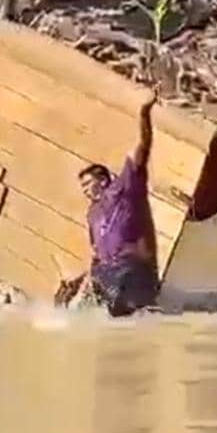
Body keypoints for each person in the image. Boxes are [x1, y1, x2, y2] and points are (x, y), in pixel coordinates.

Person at [61, 89, 161, 317]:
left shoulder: (125, 187)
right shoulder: (93, 213)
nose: (86, 190)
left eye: (89, 183)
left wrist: (144, 112)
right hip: (107, 272)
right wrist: (85, 281)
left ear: (104, 179)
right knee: (77, 307)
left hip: (133, 269)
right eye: (83, 187)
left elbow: (143, 146)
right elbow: (96, 252)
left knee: (127, 312)